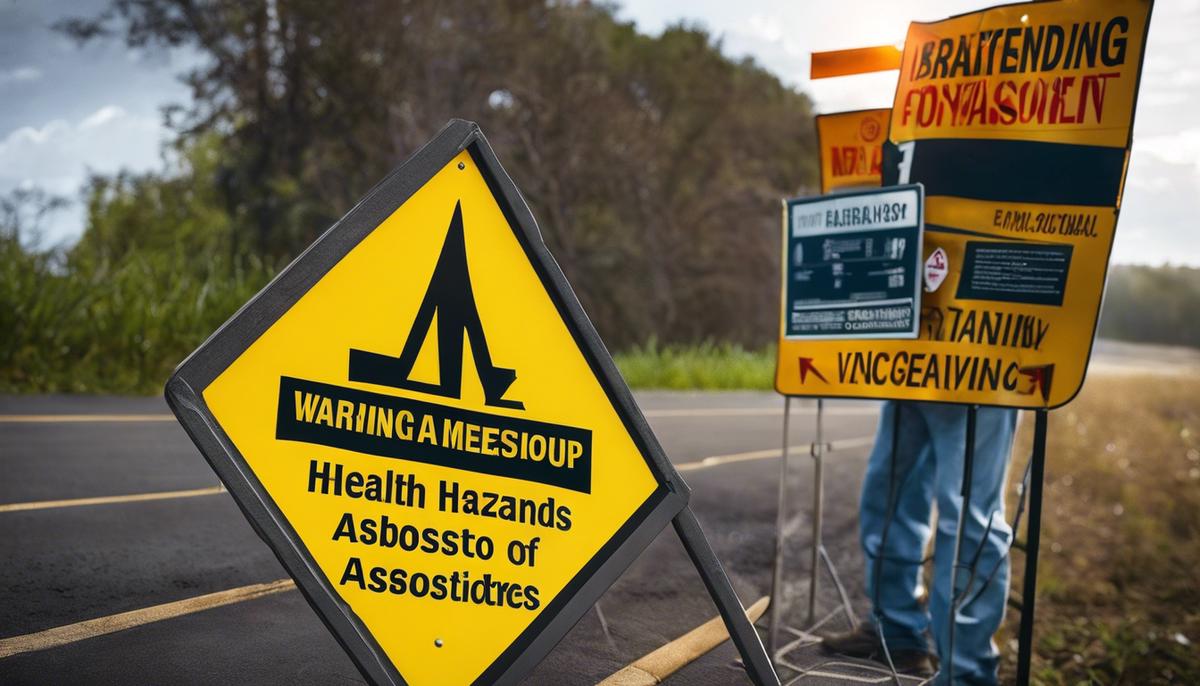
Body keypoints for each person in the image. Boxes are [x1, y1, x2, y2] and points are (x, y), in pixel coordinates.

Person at [822, 400, 1018, 684]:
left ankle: (966, 673)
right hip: (911, 370)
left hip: (983, 378)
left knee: (968, 519)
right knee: (889, 496)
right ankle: (895, 630)